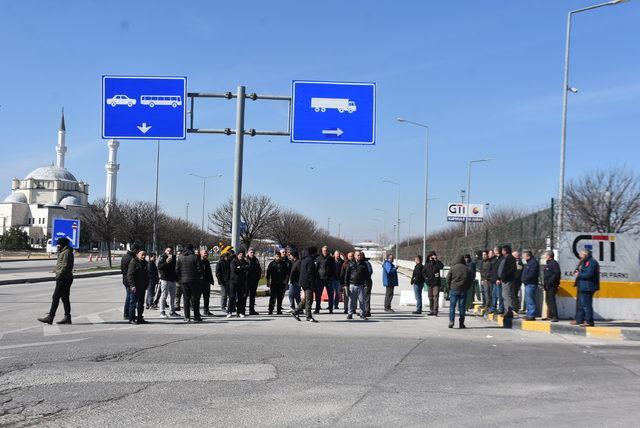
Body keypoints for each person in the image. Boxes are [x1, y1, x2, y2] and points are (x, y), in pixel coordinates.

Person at [38, 237, 74, 325]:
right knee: (65, 298)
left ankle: (50, 317)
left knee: (55, 297)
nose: (57, 246)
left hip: (64, 278)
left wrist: (59, 275)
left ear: (62, 245)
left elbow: (64, 266)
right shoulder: (64, 252)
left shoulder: (66, 253)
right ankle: (67, 317)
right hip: (66, 278)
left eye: (58, 244)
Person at [175, 244, 203, 323]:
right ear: (192, 249)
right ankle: (196, 316)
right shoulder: (195, 257)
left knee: (186, 299)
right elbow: (200, 269)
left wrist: (180, 278)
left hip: (184, 281)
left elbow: (177, 270)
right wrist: (197, 277)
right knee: (195, 299)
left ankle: (187, 317)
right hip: (194, 281)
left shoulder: (180, 257)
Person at [572, 249, 600, 327]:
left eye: (581, 254)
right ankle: (579, 319)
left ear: (585, 255)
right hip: (582, 286)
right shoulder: (583, 262)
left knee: (586, 305)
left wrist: (579, 274)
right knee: (581, 304)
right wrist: (577, 272)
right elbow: (578, 270)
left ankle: (589, 321)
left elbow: (589, 274)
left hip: (588, 287)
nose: (580, 256)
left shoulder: (592, 262)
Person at [291, 246, 319, 322]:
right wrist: (312, 285)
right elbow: (310, 274)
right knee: (309, 300)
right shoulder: (310, 260)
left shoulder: (304, 259)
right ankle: (308, 316)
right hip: (308, 283)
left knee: (306, 299)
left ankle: (295, 311)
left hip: (303, 282)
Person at [344, 250, 371, 320]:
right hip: (352, 285)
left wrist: (367, 284)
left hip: (361, 285)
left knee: (362, 300)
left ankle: (362, 314)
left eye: (360, 255)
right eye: (357, 255)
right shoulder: (350, 264)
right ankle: (350, 314)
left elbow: (367, 275)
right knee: (351, 300)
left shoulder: (364, 264)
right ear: (355, 256)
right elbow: (346, 275)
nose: (359, 256)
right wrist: (346, 285)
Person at [446, 255, 470, 329]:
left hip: (454, 289)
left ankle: (451, 321)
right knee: (462, 307)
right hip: (463, 290)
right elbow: (470, 280)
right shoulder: (466, 268)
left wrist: (449, 287)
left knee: (452, 306)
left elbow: (448, 278)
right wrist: (467, 288)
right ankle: (461, 323)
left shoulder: (453, 268)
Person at [127, 248, 149, 324]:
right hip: (135, 287)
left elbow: (147, 275)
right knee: (133, 303)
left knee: (141, 304)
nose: (143, 256)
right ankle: (131, 319)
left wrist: (147, 284)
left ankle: (140, 318)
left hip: (142, 286)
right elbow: (130, 275)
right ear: (137, 255)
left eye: (144, 255)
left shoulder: (145, 263)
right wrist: (132, 285)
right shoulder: (134, 262)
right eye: (142, 255)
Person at [157, 246, 179, 318]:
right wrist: (166, 262)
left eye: (171, 250)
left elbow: (175, 268)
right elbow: (159, 267)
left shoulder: (174, 257)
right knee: (164, 296)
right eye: (168, 250)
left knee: (173, 296)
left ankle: (172, 311)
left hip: (172, 279)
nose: (169, 252)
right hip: (165, 279)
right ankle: (162, 311)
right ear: (165, 251)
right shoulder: (162, 257)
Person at [120, 243, 140, 320]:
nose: (138, 252)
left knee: (129, 296)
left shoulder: (125, 256)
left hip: (126, 279)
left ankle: (127, 313)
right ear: (135, 250)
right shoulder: (131, 258)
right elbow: (131, 271)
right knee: (130, 298)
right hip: (129, 280)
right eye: (138, 250)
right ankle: (127, 314)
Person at [314, 246, 335, 314]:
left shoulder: (331, 259)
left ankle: (331, 309)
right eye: (324, 250)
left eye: (326, 250)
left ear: (328, 251)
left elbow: (333, 269)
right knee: (318, 295)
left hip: (329, 279)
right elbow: (316, 268)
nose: (325, 251)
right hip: (320, 279)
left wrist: (332, 276)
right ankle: (317, 309)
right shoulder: (318, 258)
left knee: (330, 295)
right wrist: (316, 277)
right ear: (322, 251)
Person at [497, 245, 517, 318]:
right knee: (504, 295)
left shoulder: (510, 259)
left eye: (502, 250)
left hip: (507, 280)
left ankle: (509, 311)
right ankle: (507, 310)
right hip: (503, 280)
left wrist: (504, 276)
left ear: (505, 251)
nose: (501, 252)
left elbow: (510, 270)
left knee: (507, 295)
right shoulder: (504, 258)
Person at [228, 250, 249, 318]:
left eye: (242, 254)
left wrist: (240, 267)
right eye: (240, 254)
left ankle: (240, 312)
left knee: (241, 298)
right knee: (232, 297)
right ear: (237, 255)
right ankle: (229, 311)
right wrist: (242, 268)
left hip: (242, 282)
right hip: (233, 282)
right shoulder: (233, 261)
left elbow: (247, 268)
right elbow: (234, 270)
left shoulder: (245, 262)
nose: (241, 255)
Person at [423, 251, 444, 316]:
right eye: (431, 256)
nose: (432, 257)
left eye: (433, 256)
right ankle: (431, 310)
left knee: (436, 297)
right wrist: (426, 279)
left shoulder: (436, 263)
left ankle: (435, 311)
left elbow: (441, 266)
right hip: (429, 283)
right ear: (429, 256)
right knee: (430, 297)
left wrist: (436, 260)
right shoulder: (427, 263)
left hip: (436, 283)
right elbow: (423, 272)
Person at [542, 250, 561, 322]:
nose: (545, 257)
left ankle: (554, 316)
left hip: (552, 286)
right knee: (548, 301)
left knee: (551, 301)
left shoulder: (554, 264)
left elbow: (556, 274)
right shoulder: (548, 264)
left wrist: (550, 282)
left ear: (549, 256)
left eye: (546, 255)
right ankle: (550, 315)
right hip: (547, 286)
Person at [521, 251, 540, 321]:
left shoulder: (533, 263)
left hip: (531, 284)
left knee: (530, 299)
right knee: (527, 299)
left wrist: (525, 279)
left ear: (528, 256)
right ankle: (528, 314)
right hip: (527, 284)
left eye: (524, 256)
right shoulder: (528, 263)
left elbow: (532, 274)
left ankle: (531, 315)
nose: (523, 258)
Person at [246, 248, 262, 315]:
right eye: (251, 252)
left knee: (252, 297)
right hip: (246, 281)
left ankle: (251, 310)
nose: (252, 254)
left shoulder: (256, 260)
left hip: (254, 281)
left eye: (253, 252)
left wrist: (258, 278)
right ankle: (241, 310)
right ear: (248, 253)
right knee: (244, 296)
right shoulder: (245, 260)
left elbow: (259, 270)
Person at [487, 248, 503, 314]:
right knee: (494, 295)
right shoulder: (495, 259)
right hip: (494, 280)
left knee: (499, 295)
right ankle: (493, 307)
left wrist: (499, 279)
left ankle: (501, 308)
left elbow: (500, 270)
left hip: (498, 280)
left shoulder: (501, 259)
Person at [200, 250, 215, 316]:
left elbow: (209, 272)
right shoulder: (198, 261)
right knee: (197, 298)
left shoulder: (207, 261)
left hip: (207, 282)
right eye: (205, 253)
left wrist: (211, 280)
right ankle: (196, 311)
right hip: (200, 282)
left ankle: (206, 311)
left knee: (206, 298)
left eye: (207, 253)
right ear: (201, 254)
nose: (206, 254)